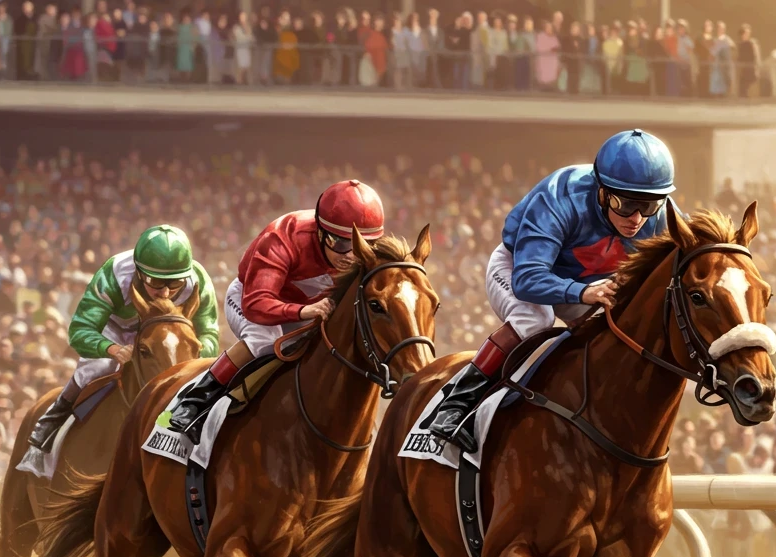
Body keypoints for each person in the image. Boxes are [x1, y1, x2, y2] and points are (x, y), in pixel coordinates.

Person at [428, 129, 676, 450]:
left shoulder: (659, 213)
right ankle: (454, 406)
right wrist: (581, 293)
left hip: (588, 281)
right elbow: (528, 279)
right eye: (626, 204)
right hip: (519, 266)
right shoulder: (560, 198)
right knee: (536, 320)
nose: (638, 218)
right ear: (602, 192)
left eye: (649, 205)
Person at [167, 180, 386, 435]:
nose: (351, 255)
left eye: (361, 245)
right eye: (341, 244)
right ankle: (196, 400)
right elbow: (256, 304)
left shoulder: (365, 252)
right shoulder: (283, 237)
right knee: (266, 341)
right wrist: (303, 312)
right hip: (252, 300)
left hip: (309, 308)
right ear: (321, 232)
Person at [28, 225, 219, 450]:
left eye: (175, 283)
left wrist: (194, 351)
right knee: (95, 369)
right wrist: (112, 349)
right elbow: (80, 329)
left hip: (166, 338)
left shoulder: (199, 280)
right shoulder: (115, 273)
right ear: (138, 272)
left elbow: (210, 335)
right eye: (156, 283)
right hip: (117, 330)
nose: (166, 292)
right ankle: (53, 419)